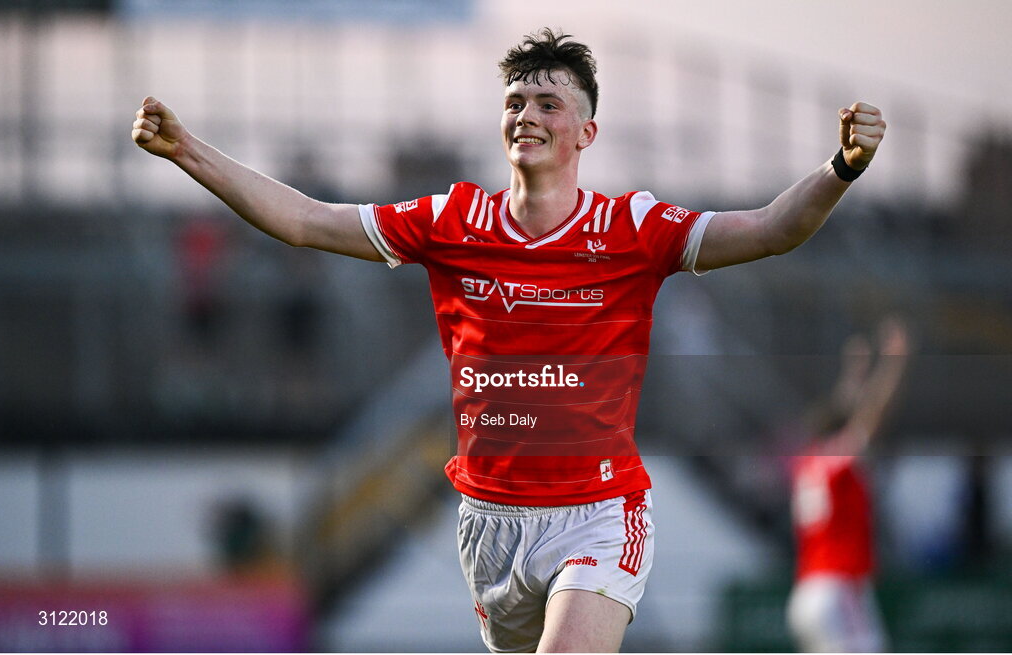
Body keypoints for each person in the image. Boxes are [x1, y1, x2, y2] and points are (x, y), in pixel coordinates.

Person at [132, 28, 887, 653]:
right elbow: (303, 220)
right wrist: (187, 151)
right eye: (516, 100)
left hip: (598, 510)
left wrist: (841, 166)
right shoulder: (451, 219)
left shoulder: (632, 227)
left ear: (586, 131)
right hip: (488, 525)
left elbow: (772, 229)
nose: (527, 113)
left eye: (549, 102)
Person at [786, 318, 910, 652]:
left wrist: (854, 371)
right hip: (839, 587)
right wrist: (894, 362)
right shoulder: (839, 461)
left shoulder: (807, 462)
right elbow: (871, 414)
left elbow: (843, 410)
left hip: (806, 591)